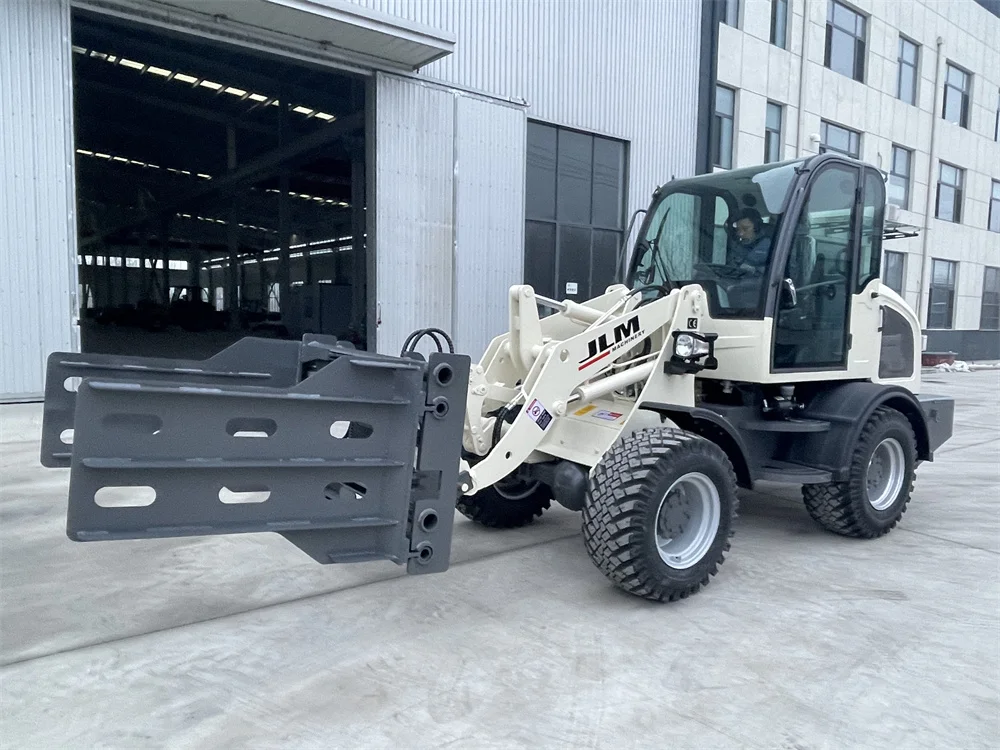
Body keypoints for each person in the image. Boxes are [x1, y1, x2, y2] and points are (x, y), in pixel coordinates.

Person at [729, 207, 772, 272]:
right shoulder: (736, 245)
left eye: (745, 229)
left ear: (757, 227)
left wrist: (755, 269)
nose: (740, 233)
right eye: (738, 229)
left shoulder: (771, 245)